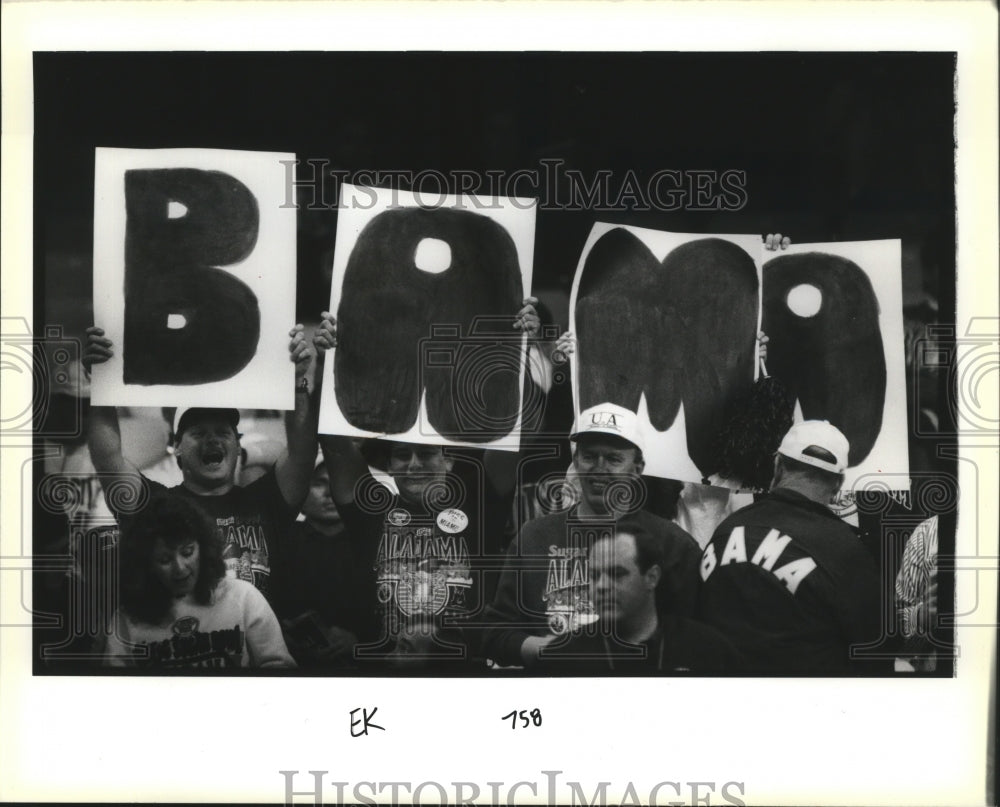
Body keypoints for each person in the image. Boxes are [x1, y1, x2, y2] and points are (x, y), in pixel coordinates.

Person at [312, 299, 540, 666]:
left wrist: (525, 351)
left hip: (463, 676)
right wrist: (328, 359)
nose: (414, 465)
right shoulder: (373, 510)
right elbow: (333, 443)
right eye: (402, 455)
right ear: (390, 463)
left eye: (427, 454)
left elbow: (516, 432)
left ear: (448, 459)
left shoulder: (478, 501)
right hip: (388, 674)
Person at [82, 324, 319, 601]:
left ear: (238, 444)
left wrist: (298, 384)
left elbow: (302, 454)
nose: (212, 441)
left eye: (222, 432)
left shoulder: (265, 501)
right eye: (198, 433)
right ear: (177, 448)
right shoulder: (155, 507)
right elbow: (108, 459)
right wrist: (102, 385)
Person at [479, 402, 701, 668]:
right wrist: (547, 650)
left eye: (613, 459)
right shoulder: (534, 538)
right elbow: (494, 632)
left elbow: (696, 641)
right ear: (575, 461)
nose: (599, 468)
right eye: (589, 456)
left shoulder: (673, 545)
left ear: (637, 468)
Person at [697, 420, 885, 673]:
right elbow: (876, 648)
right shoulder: (845, 550)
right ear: (839, 484)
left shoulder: (727, 529)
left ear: (777, 465)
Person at [102, 494, 294, 668]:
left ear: (204, 548)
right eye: (164, 560)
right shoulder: (126, 619)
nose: (180, 567)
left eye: (187, 552)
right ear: (146, 565)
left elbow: (279, 667)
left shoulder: (243, 596)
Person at [535, 522, 737, 674]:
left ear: (652, 577)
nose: (602, 586)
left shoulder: (706, 650)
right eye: (594, 576)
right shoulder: (563, 657)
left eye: (617, 574)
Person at [269, 453, 375, 666]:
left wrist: (360, 642)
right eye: (319, 483)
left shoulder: (374, 542)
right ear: (302, 489)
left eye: (339, 483)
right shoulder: (279, 543)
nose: (330, 493)